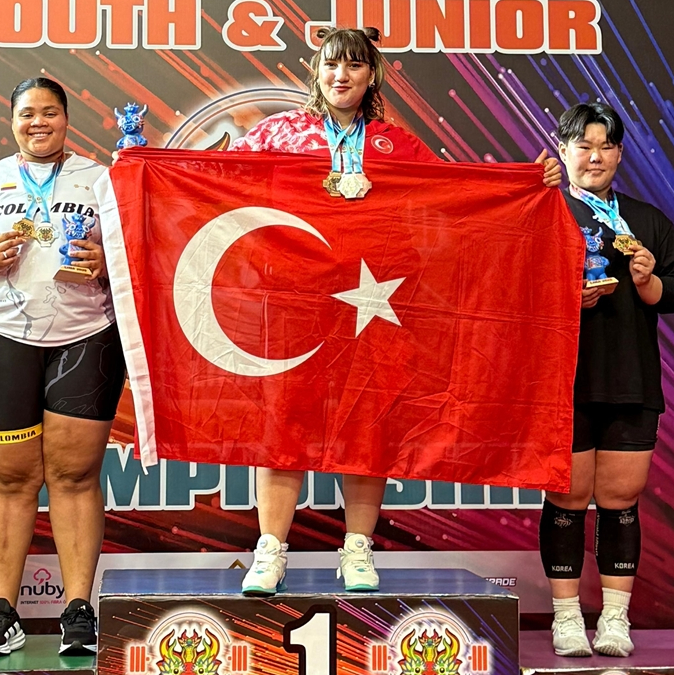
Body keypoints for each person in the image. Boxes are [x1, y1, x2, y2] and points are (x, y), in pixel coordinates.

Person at [229, 26, 563, 596]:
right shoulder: (278, 132)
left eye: (354, 66)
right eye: (332, 64)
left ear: (372, 75)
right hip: (294, 300)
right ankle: (270, 551)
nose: (341, 76)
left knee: (368, 422)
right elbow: (215, 177)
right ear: (316, 70)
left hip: (375, 303)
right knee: (284, 423)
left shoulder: (396, 144)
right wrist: (142, 163)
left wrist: (526, 182)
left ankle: (357, 549)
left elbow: (454, 195)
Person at [0, 77, 124, 657]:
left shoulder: (102, 179)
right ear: (12, 120)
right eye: (27, 113)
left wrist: (107, 263)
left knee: (75, 477)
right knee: (9, 479)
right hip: (6, 342)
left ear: (67, 119)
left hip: (87, 340)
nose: (37, 122)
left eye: (49, 112)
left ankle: (78, 611)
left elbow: (139, 257)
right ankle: (3, 612)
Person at [540, 102, 674, 657]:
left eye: (606, 146)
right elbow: (506, 285)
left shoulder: (647, 221)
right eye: (583, 145)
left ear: (620, 154)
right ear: (563, 150)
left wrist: (648, 282)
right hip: (562, 381)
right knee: (567, 496)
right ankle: (565, 618)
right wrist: (564, 297)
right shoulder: (542, 211)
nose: (595, 156)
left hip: (631, 378)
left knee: (620, 497)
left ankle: (614, 619)